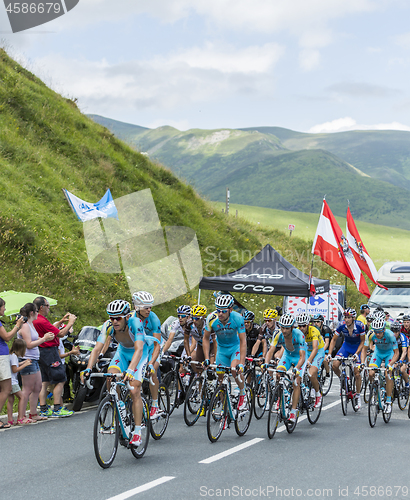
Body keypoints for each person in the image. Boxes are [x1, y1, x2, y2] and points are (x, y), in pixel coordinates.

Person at [83, 300, 159, 447]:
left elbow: (139, 349)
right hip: (122, 353)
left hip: (140, 354)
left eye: (118, 318)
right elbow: (97, 349)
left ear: (126, 316)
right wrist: (88, 368)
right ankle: (120, 404)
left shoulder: (135, 323)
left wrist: (131, 370)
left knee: (134, 388)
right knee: (110, 377)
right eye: (112, 318)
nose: (114, 321)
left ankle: (137, 431)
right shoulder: (108, 326)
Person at [202, 294, 248, 412]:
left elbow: (243, 341)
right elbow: (205, 338)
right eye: (218, 310)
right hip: (221, 350)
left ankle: (243, 393)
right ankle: (225, 408)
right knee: (220, 379)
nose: (220, 313)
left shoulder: (237, 318)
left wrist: (242, 363)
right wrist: (207, 358)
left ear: (231, 310)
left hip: (235, 348)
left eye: (223, 311)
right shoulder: (211, 318)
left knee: (234, 370)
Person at [33, 297, 77, 418]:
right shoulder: (42, 321)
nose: (49, 308)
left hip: (40, 352)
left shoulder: (36, 320)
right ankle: (57, 408)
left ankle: (43, 408)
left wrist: (61, 321)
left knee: (45, 381)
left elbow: (51, 328)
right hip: (50, 352)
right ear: (41, 307)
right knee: (60, 379)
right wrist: (70, 323)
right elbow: (61, 333)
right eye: (47, 306)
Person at [18, 302, 55, 422]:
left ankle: (33, 413)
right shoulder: (25, 326)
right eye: (36, 311)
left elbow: (35, 339)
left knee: (37, 387)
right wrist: (44, 339)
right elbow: (28, 344)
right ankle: (21, 416)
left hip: (34, 360)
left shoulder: (31, 324)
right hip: (27, 360)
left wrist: (45, 337)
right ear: (32, 313)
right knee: (27, 389)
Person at [270, 313, 307, 423]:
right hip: (287, 356)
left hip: (299, 358)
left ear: (291, 327)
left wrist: (297, 368)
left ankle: (293, 412)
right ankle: (281, 394)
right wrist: (266, 363)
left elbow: (302, 357)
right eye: (282, 328)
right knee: (278, 373)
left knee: (296, 381)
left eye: (287, 328)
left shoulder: (299, 335)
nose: (284, 331)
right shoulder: (278, 334)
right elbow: (270, 351)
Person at [131, 291, 161, 419]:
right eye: (146, 307)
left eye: (150, 307)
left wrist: (151, 362)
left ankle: (155, 404)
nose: (149, 310)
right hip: (138, 349)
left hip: (152, 348)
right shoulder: (130, 318)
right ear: (136, 307)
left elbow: (157, 345)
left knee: (152, 371)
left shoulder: (154, 319)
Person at [328, 307, 365, 410]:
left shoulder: (360, 326)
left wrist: (357, 354)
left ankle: (357, 395)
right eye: (345, 317)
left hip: (357, 347)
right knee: (334, 365)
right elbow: (333, 340)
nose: (346, 319)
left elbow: (363, 341)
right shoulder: (341, 325)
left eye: (349, 317)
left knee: (357, 373)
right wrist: (330, 354)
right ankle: (342, 378)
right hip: (346, 347)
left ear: (353, 318)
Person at [0, 298, 25, 429]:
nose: (4, 309)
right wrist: (17, 325)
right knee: (6, 389)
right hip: (1, 357)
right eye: (3, 307)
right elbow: (7, 337)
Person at [366, 316, 399, 413]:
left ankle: (388, 401)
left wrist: (391, 364)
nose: (378, 334)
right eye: (376, 331)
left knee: (388, 374)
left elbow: (396, 353)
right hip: (378, 353)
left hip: (389, 354)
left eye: (380, 331)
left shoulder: (390, 335)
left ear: (384, 329)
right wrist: (362, 363)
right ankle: (374, 391)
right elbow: (364, 349)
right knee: (371, 373)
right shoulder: (371, 334)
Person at [296, 312, 325, 408]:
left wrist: (309, 360)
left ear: (308, 324)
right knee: (297, 375)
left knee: (311, 373)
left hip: (317, 352)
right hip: (306, 351)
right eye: (299, 326)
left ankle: (318, 394)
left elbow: (315, 348)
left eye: (304, 325)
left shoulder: (314, 331)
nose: (301, 328)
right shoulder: (297, 331)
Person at [7, 338, 32, 425]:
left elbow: (14, 365)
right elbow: (14, 369)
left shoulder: (10, 355)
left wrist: (23, 362)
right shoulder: (14, 357)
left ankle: (10, 419)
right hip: (13, 382)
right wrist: (25, 365)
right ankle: (20, 418)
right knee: (22, 397)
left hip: (8, 381)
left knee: (10, 400)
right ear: (20, 349)